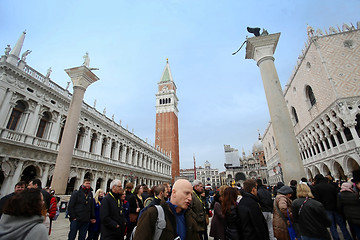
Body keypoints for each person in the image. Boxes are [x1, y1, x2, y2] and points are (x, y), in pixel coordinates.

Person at [133, 179, 199, 240]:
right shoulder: (153, 213)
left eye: (191, 195)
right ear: (174, 192)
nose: (190, 198)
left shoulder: (190, 216)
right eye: (186, 193)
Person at [312, 174, 352, 240]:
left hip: (326, 209)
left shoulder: (316, 188)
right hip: (335, 208)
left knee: (332, 226)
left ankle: (336, 238)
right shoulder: (330, 185)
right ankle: (348, 237)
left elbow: (317, 200)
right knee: (342, 225)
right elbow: (337, 196)